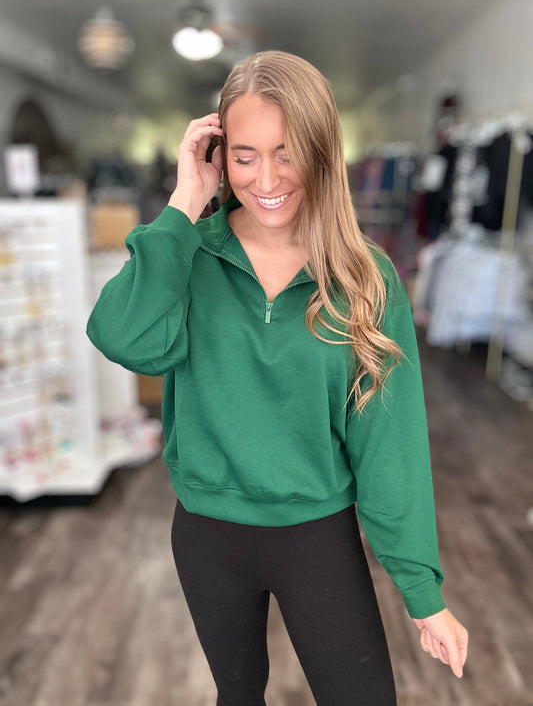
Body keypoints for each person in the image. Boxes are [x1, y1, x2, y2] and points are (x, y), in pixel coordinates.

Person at [87, 50, 468, 705]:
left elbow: (390, 445)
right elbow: (123, 338)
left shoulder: (365, 278)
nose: (266, 179)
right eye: (244, 156)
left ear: (322, 152)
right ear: (219, 157)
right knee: (237, 695)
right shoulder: (188, 256)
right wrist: (183, 203)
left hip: (316, 535)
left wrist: (421, 589)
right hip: (206, 533)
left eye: (287, 153)